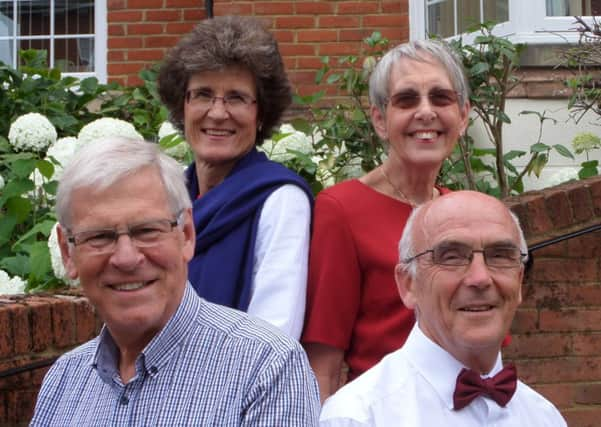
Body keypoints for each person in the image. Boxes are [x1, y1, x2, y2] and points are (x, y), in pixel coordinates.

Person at [30, 137, 320, 426]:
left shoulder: (265, 369)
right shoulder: (63, 382)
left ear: (187, 234)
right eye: (99, 236)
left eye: (147, 230)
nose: (127, 258)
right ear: (68, 252)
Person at [301, 39, 470, 400]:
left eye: (441, 98)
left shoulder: (466, 213)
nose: (426, 112)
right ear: (380, 119)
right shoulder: (342, 209)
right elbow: (324, 358)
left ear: (463, 115)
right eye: (407, 100)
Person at [319, 191, 567, 426]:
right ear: (408, 285)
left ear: (519, 280)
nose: (480, 278)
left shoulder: (544, 418)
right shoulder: (358, 417)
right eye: (451, 257)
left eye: (500, 255)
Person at [157, 15, 312, 339]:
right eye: (202, 94)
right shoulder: (168, 199)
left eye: (236, 98)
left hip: (234, 383)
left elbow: (274, 335)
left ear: (261, 115)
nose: (217, 112)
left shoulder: (280, 201)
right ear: (181, 106)